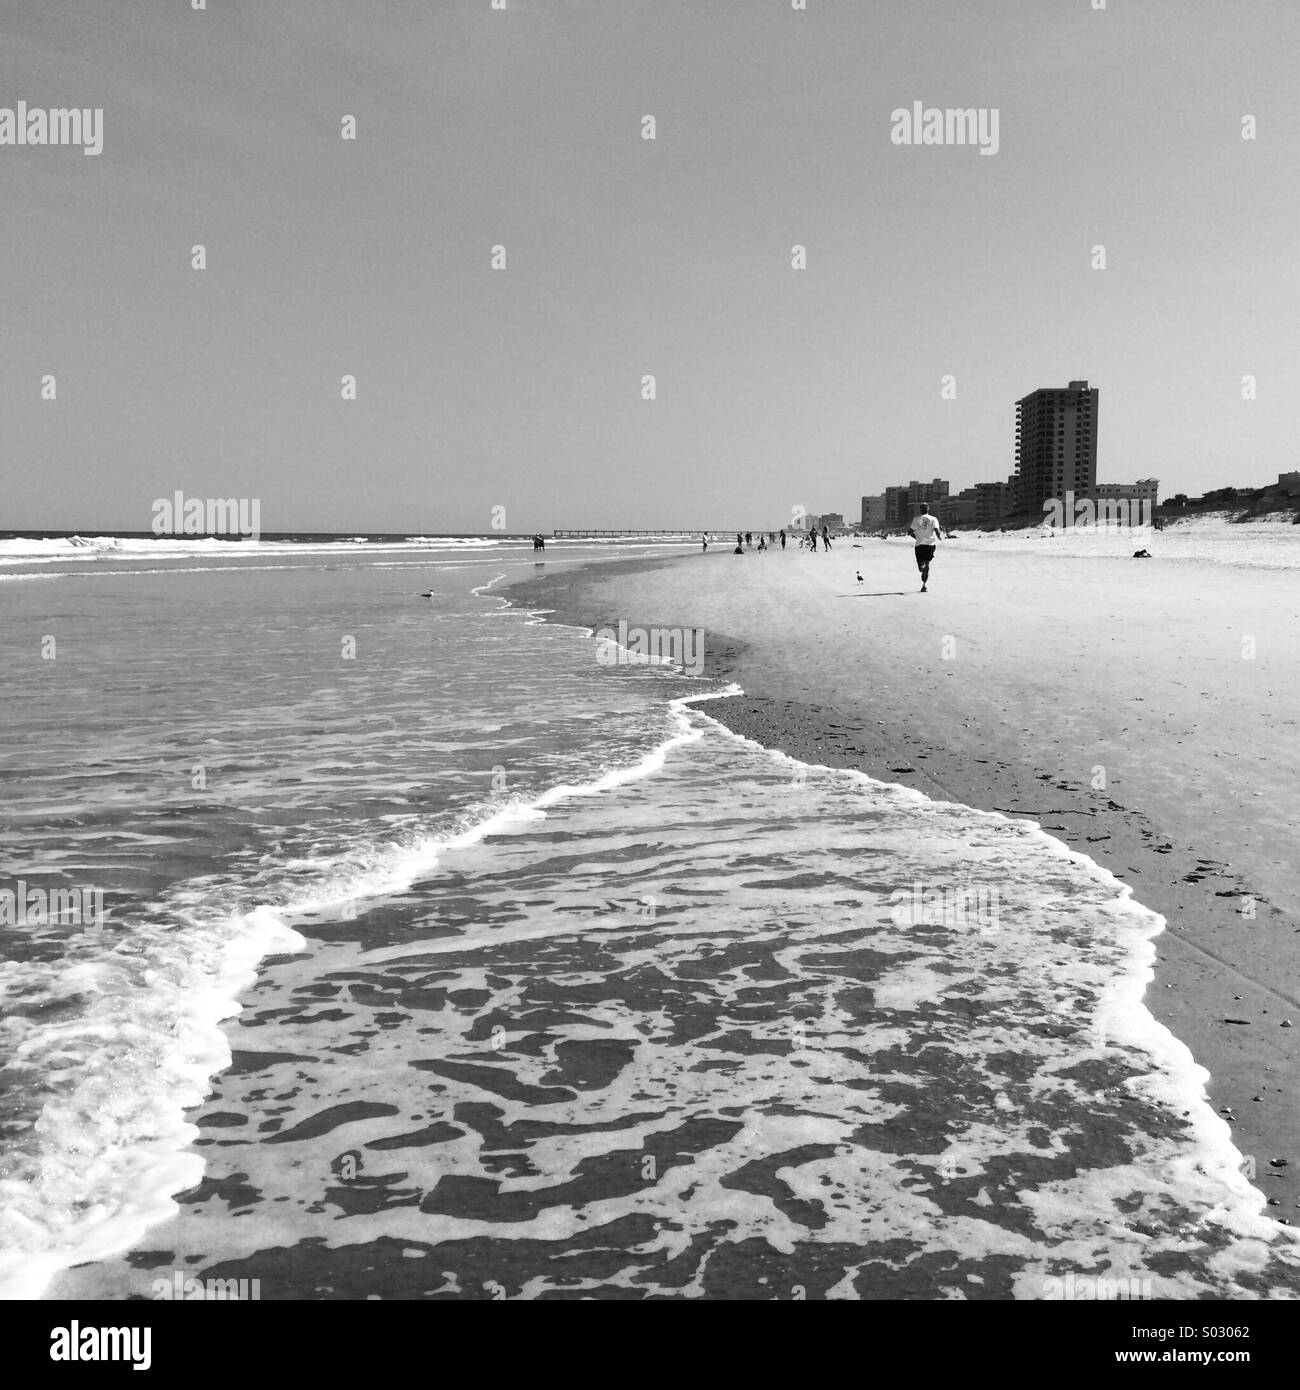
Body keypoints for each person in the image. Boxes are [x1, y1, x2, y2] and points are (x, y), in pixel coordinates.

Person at [910, 504, 941, 592]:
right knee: (927, 564)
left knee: (920, 567)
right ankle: (925, 585)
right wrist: (939, 536)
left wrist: (917, 538)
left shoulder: (916, 519)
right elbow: (937, 530)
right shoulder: (933, 519)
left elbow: (910, 532)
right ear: (928, 509)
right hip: (930, 544)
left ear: (920, 510)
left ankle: (923, 569)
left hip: (919, 545)